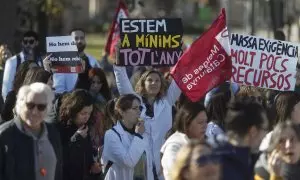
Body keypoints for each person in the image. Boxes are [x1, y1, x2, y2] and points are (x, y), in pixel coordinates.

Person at [113, 63, 181, 179]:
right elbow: (123, 83)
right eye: (150, 80)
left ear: (161, 84)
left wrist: (178, 59)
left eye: (157, 81)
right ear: (143, 83)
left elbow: (179, 82)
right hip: (140, 159)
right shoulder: (135, 102)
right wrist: (119, 63)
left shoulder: (167, 101)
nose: (154, 83)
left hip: (162, 158)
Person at [0, 82, 62, 180]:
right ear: (20, 104)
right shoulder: (4, 135)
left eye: (41, 107)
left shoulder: (53, 133)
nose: (34, 112)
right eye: (30, 105)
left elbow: (58, 171)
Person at [208, 97, 269, 180]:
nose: (265, 135)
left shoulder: (251, 157)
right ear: (253, 131)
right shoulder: (214, 163)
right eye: (265, 129)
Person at [101, 94, 154, 180]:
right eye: (134, 108)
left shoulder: (142, 132)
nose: (139, 112)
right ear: (122, 112)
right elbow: (129, 162)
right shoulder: (111, 135)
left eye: (139, 108)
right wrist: (138, 135)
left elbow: (148, 166)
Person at [58, 89, 101, 180]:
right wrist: (76, 139)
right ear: (73, 111)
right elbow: (59, 159)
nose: (87, 117)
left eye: (89, 113)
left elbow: (87, 161)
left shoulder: (85, 128)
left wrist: (94, 170)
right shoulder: (60, 128)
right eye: (83, 113)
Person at [161, 102, 208, 180]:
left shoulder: (206, 141)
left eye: (206, 122)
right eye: (200, 122)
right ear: (187, 123)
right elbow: (176, 175)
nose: (205, 126)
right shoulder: (173, 147)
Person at [52, 28, 100, 94]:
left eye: (82, 38)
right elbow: (58, 89)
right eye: (76, 38)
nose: (79, 41)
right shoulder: (61, 62)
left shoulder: (92, 60)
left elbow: (100, 83)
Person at [2, 31, 43, 101]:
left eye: (31, 41)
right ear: (22, 43)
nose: (28, 44)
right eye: (25, 42)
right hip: (19, 106)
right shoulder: (12, 62)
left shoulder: (41, 61)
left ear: (36, 43)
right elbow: (6, 90)